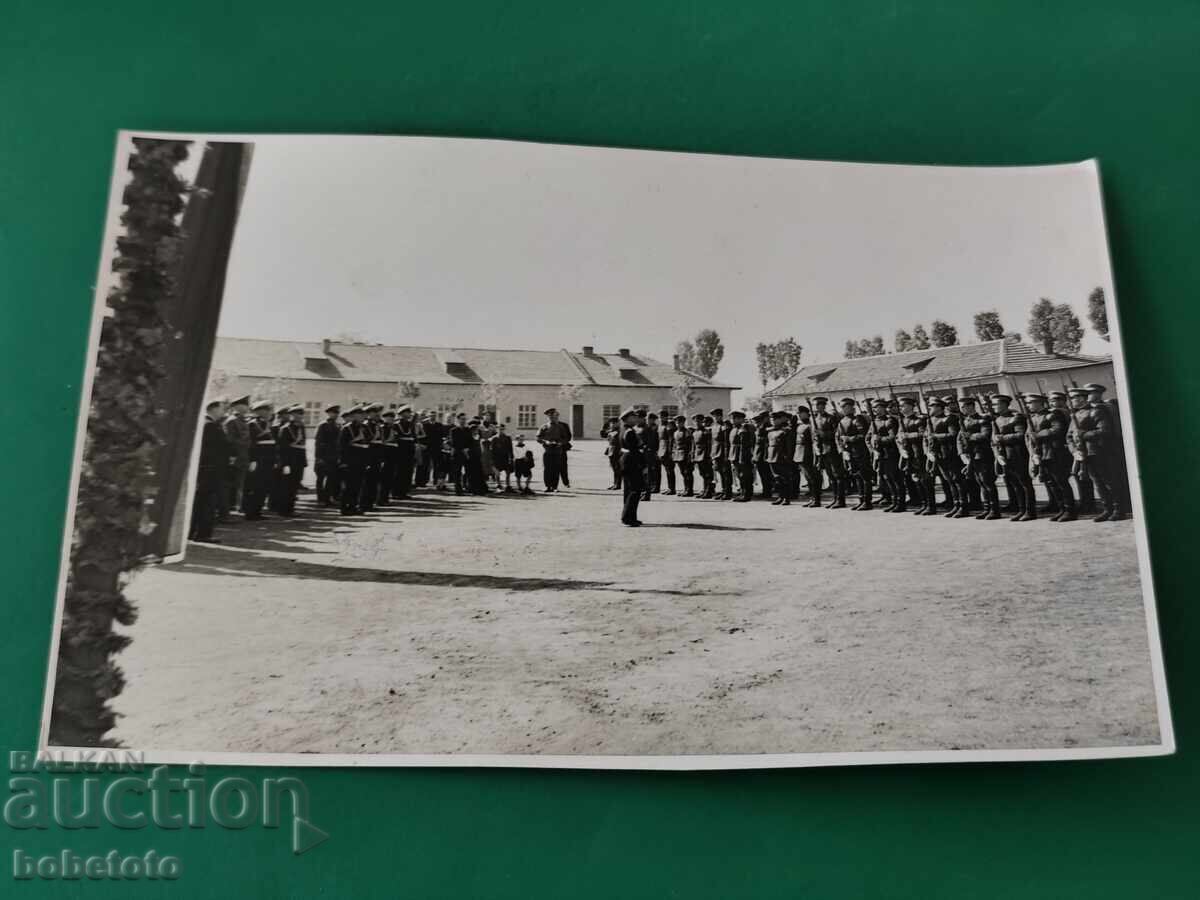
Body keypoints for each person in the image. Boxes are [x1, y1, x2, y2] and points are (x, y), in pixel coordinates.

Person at [1069, 386, 1125, 521]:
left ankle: (1119, 510)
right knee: (1097, 483)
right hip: (1084, 454)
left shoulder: (1096, 411)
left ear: (1082, 398)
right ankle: (1107, 509)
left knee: (1109, 481)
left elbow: (1104, 431)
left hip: (1098, 451)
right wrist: (1075, 451)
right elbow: (1069, 436)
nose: (1072, 401)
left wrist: (1085, 434)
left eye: (1075, 398)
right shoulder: (1075, 415)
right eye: (1071, 398)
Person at [1026, 392, 1076, 522]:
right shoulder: (1032, 417)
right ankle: (1061, 509)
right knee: (1051, 483)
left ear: (1040, 403)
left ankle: (1070, 510)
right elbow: (1029, 436)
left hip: (1054, 452)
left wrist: (1039, 434)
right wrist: (1034, 453)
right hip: (1042, 454)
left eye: (1031, 403)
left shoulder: (1053, 414)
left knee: (1061, 482)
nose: (1029, 405)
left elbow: (1058, 429)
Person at [990, 394, 1036, 521]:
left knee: (1024, 483)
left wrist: (1002, 438)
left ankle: (1030, 511)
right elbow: (993, 439)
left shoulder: (1016, 417)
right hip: (1005, 456)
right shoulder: (997, 419)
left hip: (1018, 454)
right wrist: (998, 454)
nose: (994, 407)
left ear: (1005, 404)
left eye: (996, 404)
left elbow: (1021, 435)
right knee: (1014, 483)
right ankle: (1021, 510)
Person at [189, 399, 229, 542]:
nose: (223, 411)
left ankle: (192, 532)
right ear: (213, 409)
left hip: (205, 469)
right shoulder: (211, 426)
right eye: (221, 408)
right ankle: (203, 534)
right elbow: (217, 449)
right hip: (210, 470)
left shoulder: (206, 424)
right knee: (207, 503)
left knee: (199, 502)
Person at [957, 396, 1001, 520]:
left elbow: (985, 435)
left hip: (982, 454)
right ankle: (987, 508)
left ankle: (994, 509)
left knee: (987, 482)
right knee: (980, 482)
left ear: (971, 406)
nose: (962, 409)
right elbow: (960, 439)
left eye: (964, 406)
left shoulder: (983, 419)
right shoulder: (965, 421)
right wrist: (962, 452)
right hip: (971, 456)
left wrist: (970, 436)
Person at [898, 397, 936, 516]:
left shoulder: (919, 420)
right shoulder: (902, 420)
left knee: (925, 480)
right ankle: (924, 504)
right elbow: (899, 436)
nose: (901, 408)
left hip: (919, 453)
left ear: (910, 406)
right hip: (909, 454)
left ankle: (931, 505)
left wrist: (907, 436)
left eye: (903, 406)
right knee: (917, 480)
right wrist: (901, 445)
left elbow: (923, 434)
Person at [835, 398, 872, 511]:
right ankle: (861, 500)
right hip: (849, 452)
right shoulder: (841, 421)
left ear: (851, 407)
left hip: (860, 452)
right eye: (842, 407)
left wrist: (849, 439)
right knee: (856, 476)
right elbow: (838, 436)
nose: (843, 409)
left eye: (844, 407)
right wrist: (841, 446)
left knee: (864, 476)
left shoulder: (858, 419)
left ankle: (867, 501)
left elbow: (863, 435)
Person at [242, 401, 276, 520]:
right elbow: (251, 443)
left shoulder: (267, 424)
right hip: (259, 459)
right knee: (255, 486)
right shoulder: (253, 424)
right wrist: (253, 459)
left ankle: (257, 511)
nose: (269, 413)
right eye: (267, 410)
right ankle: (251, 512)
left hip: (267, 460)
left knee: (263, 486)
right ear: (260, 411)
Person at [869, 398, 904, 512]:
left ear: (883, 408)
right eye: (874, 408)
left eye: (877, 407)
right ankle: (894, 501)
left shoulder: (890, 421)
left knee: (895, 478)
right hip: (880, 454)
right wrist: (873, 449)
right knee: (886, 478)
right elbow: (868, 438)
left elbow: (892, 437)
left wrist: (880, 439)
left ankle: (900, 502)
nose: (875, 410)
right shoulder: (874, 422)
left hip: (890, 453)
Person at [811, 397, 845, 509]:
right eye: (815, 405)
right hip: (822, 450)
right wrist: (816, 445)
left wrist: (823, 434)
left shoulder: (831, 418)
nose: (816, 408)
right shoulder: (814, 419)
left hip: (832, 449)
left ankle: (840, 500)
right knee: (830, 475)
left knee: (837, 475)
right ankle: (835, 498)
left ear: (823, 406)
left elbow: (837, 433)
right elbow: (814, 436)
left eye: (818, 405)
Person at [275, 404, 308, 516]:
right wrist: (285, 464)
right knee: (287, 486)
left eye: (300, 414)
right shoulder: (285, 428)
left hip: (299, 460)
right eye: (296, 414)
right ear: (291, 415)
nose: (299, 417)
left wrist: (304, 462)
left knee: (294, 486)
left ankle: (290, 508)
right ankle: (284, 509)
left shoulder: (301, 427)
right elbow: (282, 448)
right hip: (290, 460)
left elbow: (302, 445)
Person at [338, 405, 371, 516]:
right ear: (354, 416)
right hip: (350, 460)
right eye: (360, 415)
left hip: (361, 460)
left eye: (363, 415)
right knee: (348, 486)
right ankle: (344, 507)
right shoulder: (347, 428)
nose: (363, 417)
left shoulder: (365, 428)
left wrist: (367, 461)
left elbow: (367, 444)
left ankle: (353, 506)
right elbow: (342, 447)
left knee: (358, 485)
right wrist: (343, 462)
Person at [222, 395, 251, 518]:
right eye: (244, 405)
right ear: (237, 407)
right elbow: (229, 440)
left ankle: (234, 509)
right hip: (235, 457)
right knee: (231, 485)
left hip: (243, 457)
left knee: (239, 484)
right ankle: (227, 511)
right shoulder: (232, 421)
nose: (247, 408)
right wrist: (232, 456)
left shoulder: (242, 420)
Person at [618, 408, 644, 526]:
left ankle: (629, 516)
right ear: (628, 418)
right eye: (633, 417)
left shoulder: (624, 430)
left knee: (628, 490)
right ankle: (628, 517)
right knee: (635, 490)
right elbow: (635, 449)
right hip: (631, 461)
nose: (636, 419)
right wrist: (642, 463)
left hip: (625, 460)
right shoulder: (630, 432)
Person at [314, 404, 341, 507]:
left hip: (333, 456)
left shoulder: (338, 425)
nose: (335, 415)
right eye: (333, 413)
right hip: (324, 455)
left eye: (336, 413)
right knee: (321, 478)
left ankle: (327, 498)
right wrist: (319, 457)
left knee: (331, 478)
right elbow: (318, 442)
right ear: (328, 413)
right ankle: (321, 499)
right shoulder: (323, 425)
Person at [793, 406, 820, 507]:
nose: (798, 415)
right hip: (800, 453)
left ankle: (816, 499)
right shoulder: (800, 426)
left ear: (806, 413)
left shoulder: (811, 425)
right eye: (797, 413)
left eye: (800, 413)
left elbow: (814, 441)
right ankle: (812, 498)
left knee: (813, 478)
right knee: (808, 478)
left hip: (808, 453)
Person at [767, 409, 795, 506]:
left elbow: (789, 446)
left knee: (785, 479)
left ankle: (786, 498)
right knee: (777, 479)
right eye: (771, 420)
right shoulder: (770, 432)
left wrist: (788, 457)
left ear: (780, 420)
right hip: (771, 457)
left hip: (781, 457)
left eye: (775, 419)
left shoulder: (785, 431)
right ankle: (780, 496)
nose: (773, 421)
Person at [393, 404, 419, 499]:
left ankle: (404, 491)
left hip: (409, 450)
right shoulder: (396, 425)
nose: (409, 415)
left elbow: (414, 437)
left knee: (407, 472)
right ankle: (396, 492)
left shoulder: (410, 425)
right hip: (400, 451)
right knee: (399, 472)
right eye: (407, 413)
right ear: (402, 414)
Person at [731, 410, 756, 502]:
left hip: (743, 455)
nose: (733, 420)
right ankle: (743, 492)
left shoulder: (744, 428)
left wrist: (742, 458)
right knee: (740, 475)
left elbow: (744, 445)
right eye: (733, 418)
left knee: (745, 475)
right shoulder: (735, 429)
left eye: (736, 418)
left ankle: (746, 494)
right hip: (736, 455)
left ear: (741, 419)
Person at [377, 408, 400, 506]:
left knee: (389, 477)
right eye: (388, 418)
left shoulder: (394, 428)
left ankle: (385, 498)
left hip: (393, 455)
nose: (390, 419)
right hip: (385, 455)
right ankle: (381, 499)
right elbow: (383, 442)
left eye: (392, 418)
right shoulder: (383, 428)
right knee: (383, 478)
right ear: (384, 418)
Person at [710, 408, 733, 501]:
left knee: (726, 473)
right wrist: (713, 453)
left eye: (717, 416)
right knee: (720, 472)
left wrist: (727, 454)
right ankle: (723, 490)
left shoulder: (725, 425)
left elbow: (727, 441)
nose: (716, 418)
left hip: (724, 452)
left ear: (721, 416)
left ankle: (728, 492)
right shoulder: (714, 426)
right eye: (714, 416)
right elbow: (713, 441)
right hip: (716, 451)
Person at [448, 411, 471, 495]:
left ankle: (467, 486)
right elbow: (454, 442)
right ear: (458, 420)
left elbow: (470, 441)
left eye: (465, 419)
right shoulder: (454, 430)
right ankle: (458, 489)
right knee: (457, 472)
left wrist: (467, 449)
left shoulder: (468, 430)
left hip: (467, 453)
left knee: (468, 471)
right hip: (457, 453)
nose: (463, 421)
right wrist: (463, 449)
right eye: (462, 419)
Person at [671, 414, 694, 496]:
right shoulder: (675, 432)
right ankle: (686, 489)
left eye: (680, 422)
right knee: (683, 473)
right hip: (678, 454)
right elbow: (674, 444)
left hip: (685, 454)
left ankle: (689, 490)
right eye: (677, 423)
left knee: (687, 473)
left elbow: (690, 444)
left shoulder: (687, 432)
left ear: (683, 423)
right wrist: (673, 453)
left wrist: (690, 454)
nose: (678, 424)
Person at [693, 413, 714, 498]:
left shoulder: (706, 432)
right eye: (696, 421)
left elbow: (709, 445)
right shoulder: (695, 432)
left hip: (705, 455)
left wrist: (709, 456)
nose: (697, 423)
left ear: (702, 421)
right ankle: (705, 490)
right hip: (698, 455)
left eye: (699, 421)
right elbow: (693, 445)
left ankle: (708, 492)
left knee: (708, 474)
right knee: (702, 473)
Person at [642, 411, 661, 498]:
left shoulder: (656, 428)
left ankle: (656, 487)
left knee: (655, 470)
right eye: (648, 419)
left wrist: (656, 450)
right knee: (649, 470)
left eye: (651, 419)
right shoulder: (646, 427)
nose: (649, 420)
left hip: (654, 450)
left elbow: (657, 440)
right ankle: (652, 486)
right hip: (647, 451)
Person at [492, 422, 515, 492]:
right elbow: (492, 449)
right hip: (497, 457)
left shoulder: (508, 438)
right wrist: (492, 459)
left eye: (502, 429)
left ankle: (508, 485)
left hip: (505, 457)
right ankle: (498, 485)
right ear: (497, 429)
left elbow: (510, 448)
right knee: (498, 472)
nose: (501, 430)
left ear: (504, 429)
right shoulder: (494, 438)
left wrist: (511, 457)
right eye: (499, 429)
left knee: (508, 472)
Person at [658, 411, 676, 495]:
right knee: (667, 470)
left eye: (663, 416)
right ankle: (669, 488)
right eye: (660, 416)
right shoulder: (660, 426)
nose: (662, 418)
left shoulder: (669, 426)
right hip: (661, 450)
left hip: (667, 450)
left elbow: (671, 439)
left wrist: (670, 451)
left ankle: (672, 488)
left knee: (670, 470)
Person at [604, 417, 622, 490]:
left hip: (617, 451)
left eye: (614, 423)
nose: (612, 424)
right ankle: (615, 483)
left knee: (618, 469)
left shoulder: (620, 431)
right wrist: (605, 426)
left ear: (618, 423)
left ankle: (618, 484)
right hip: (611, 452)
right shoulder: (610, 431)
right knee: (614, 468)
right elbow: (602, 434)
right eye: (611, 423)